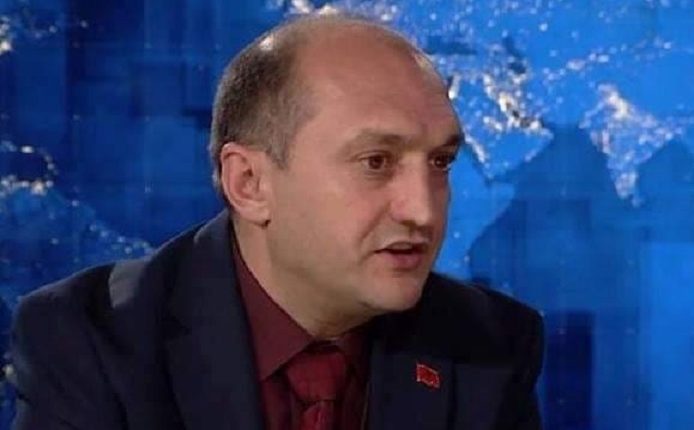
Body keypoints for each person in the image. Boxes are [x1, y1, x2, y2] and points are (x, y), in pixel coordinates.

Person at [10, 12, 544, 430]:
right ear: (249, 184)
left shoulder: (489, 345)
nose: (423, 210)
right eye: (376, 162)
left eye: (440, 162)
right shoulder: (92, 342)